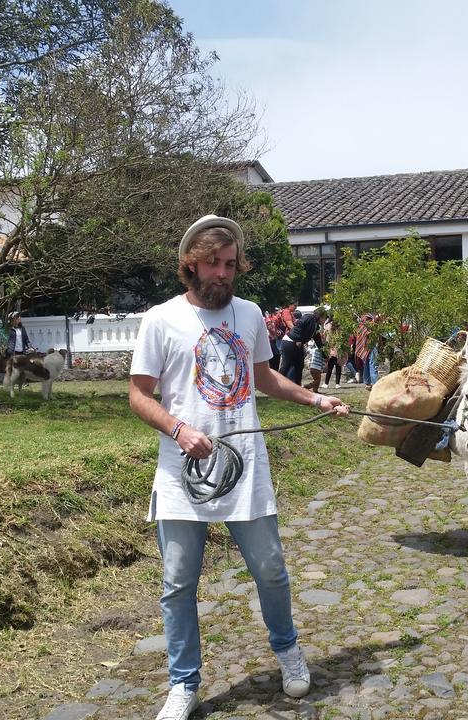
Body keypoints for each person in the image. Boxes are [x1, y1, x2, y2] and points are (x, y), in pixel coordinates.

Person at [127, 214, 348, 720]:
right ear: (191, 264)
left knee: (271, 571)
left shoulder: (248, 315)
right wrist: (180, 430)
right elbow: (138, 396)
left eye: (230, 264)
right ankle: (184, 684)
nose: (223, 274)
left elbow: (266, 380)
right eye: (213, 264)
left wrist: (316, 399)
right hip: (183, 475)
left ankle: (288, 651)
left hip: (245, 470)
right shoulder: (161, 319)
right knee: (178, 583)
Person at [278, 306, 326, 385]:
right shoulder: (309, 317)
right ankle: (278, 385)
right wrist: (299, 339)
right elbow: (299, 324)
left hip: (298, 344)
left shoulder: (316, 326)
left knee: (299, 365)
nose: (325, 320)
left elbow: (318, 341)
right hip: (290, 341)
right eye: (325, 317)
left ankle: (297, 385)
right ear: (321, 316)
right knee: (286, 365)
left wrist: (324, 354)